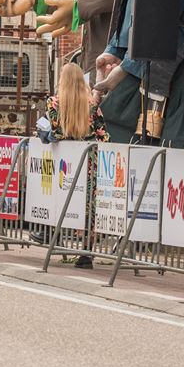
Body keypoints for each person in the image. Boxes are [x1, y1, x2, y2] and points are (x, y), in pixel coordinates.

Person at [45, 62, 108, 269]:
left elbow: (56, 132)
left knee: (60, 199)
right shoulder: (92, 105)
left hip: (65, 162)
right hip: (90, 162)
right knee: (89, 205)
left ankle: (53, 239)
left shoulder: (54, 103)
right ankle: (86, 252)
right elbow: (103, 135)